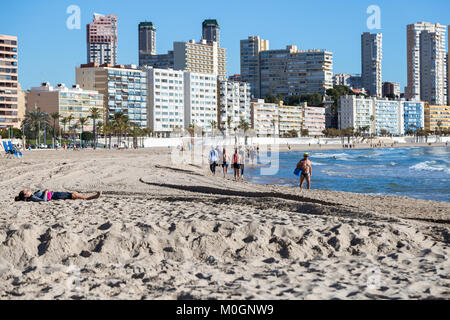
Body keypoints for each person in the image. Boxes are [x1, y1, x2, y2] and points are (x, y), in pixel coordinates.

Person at [15, 189, 101, 202]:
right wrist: (46, 192)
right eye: (26, 191)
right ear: (26, 195)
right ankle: (90, 197)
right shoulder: (33, 197)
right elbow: (43, 201)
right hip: (54, 195)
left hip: (54, 194)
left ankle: (90, 197)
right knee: (74, 195)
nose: (28, 190)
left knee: (73, 194)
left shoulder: (32, 196)